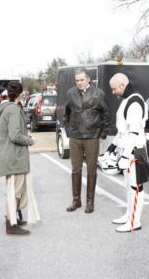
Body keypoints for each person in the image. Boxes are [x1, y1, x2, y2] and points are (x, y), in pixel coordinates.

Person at [0, 81, 40, 235]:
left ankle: (11, 218)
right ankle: (10, 225)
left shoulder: (6, 108)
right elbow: (15, 135)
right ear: (21, 93)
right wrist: (30, 141)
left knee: (14, 191)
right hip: (14, 158)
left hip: (10, 156)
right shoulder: (12, 109)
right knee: (15, 193)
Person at [64, 67, 110, 213]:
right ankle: (76, 200)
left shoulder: (98, 93)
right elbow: (66, 113)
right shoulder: (70, 93)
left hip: (92, 136)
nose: (79, 83)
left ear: (88, 79)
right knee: (75, 169)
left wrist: (102, 135)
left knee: (91, 170)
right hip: (75, 136)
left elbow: (106, 115)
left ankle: (90, 202)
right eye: (77, 80)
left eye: (82, 80)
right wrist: (68, 130)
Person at [108, 73, 148, 232]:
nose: (113, 92)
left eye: (114, 89)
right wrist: (113, 146)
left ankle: (134, 222)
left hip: (134, 152)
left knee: (136, 187)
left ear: (122, 84)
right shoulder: (128, 101)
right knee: (129, 186)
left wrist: (125, 155)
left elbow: (134, 132)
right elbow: (123, 130)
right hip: (128, 151)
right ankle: (129, 214)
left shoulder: (135, 102)